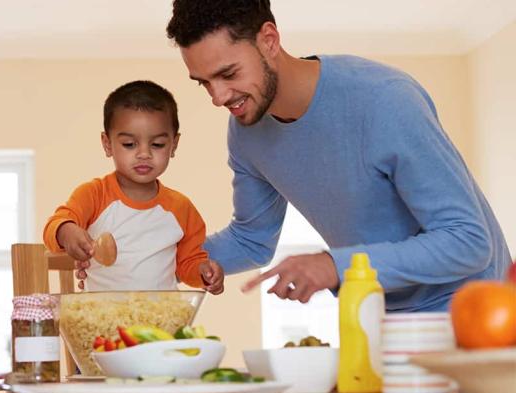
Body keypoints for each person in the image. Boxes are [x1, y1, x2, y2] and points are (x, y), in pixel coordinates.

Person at [165, 0, 510, 311]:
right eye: (204, 82)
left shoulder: (385, 100)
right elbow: (251, 240)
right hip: (380, 316)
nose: (218, 97)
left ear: (269, 40)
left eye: (228, 74)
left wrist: (334, 266)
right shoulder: (246, 132)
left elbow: (468, 240)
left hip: (473, 312)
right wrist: (157, 257)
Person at [43, 80, 225, 294]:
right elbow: (54, 225)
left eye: (157, 144)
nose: (144, 154)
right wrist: (66, 231)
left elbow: (188, 263)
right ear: (107, 144)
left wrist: (204, 272)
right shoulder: (93, 194)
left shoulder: (181, 208)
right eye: (129, 144)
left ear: (174, 145)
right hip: (103, 320)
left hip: (162, 322)